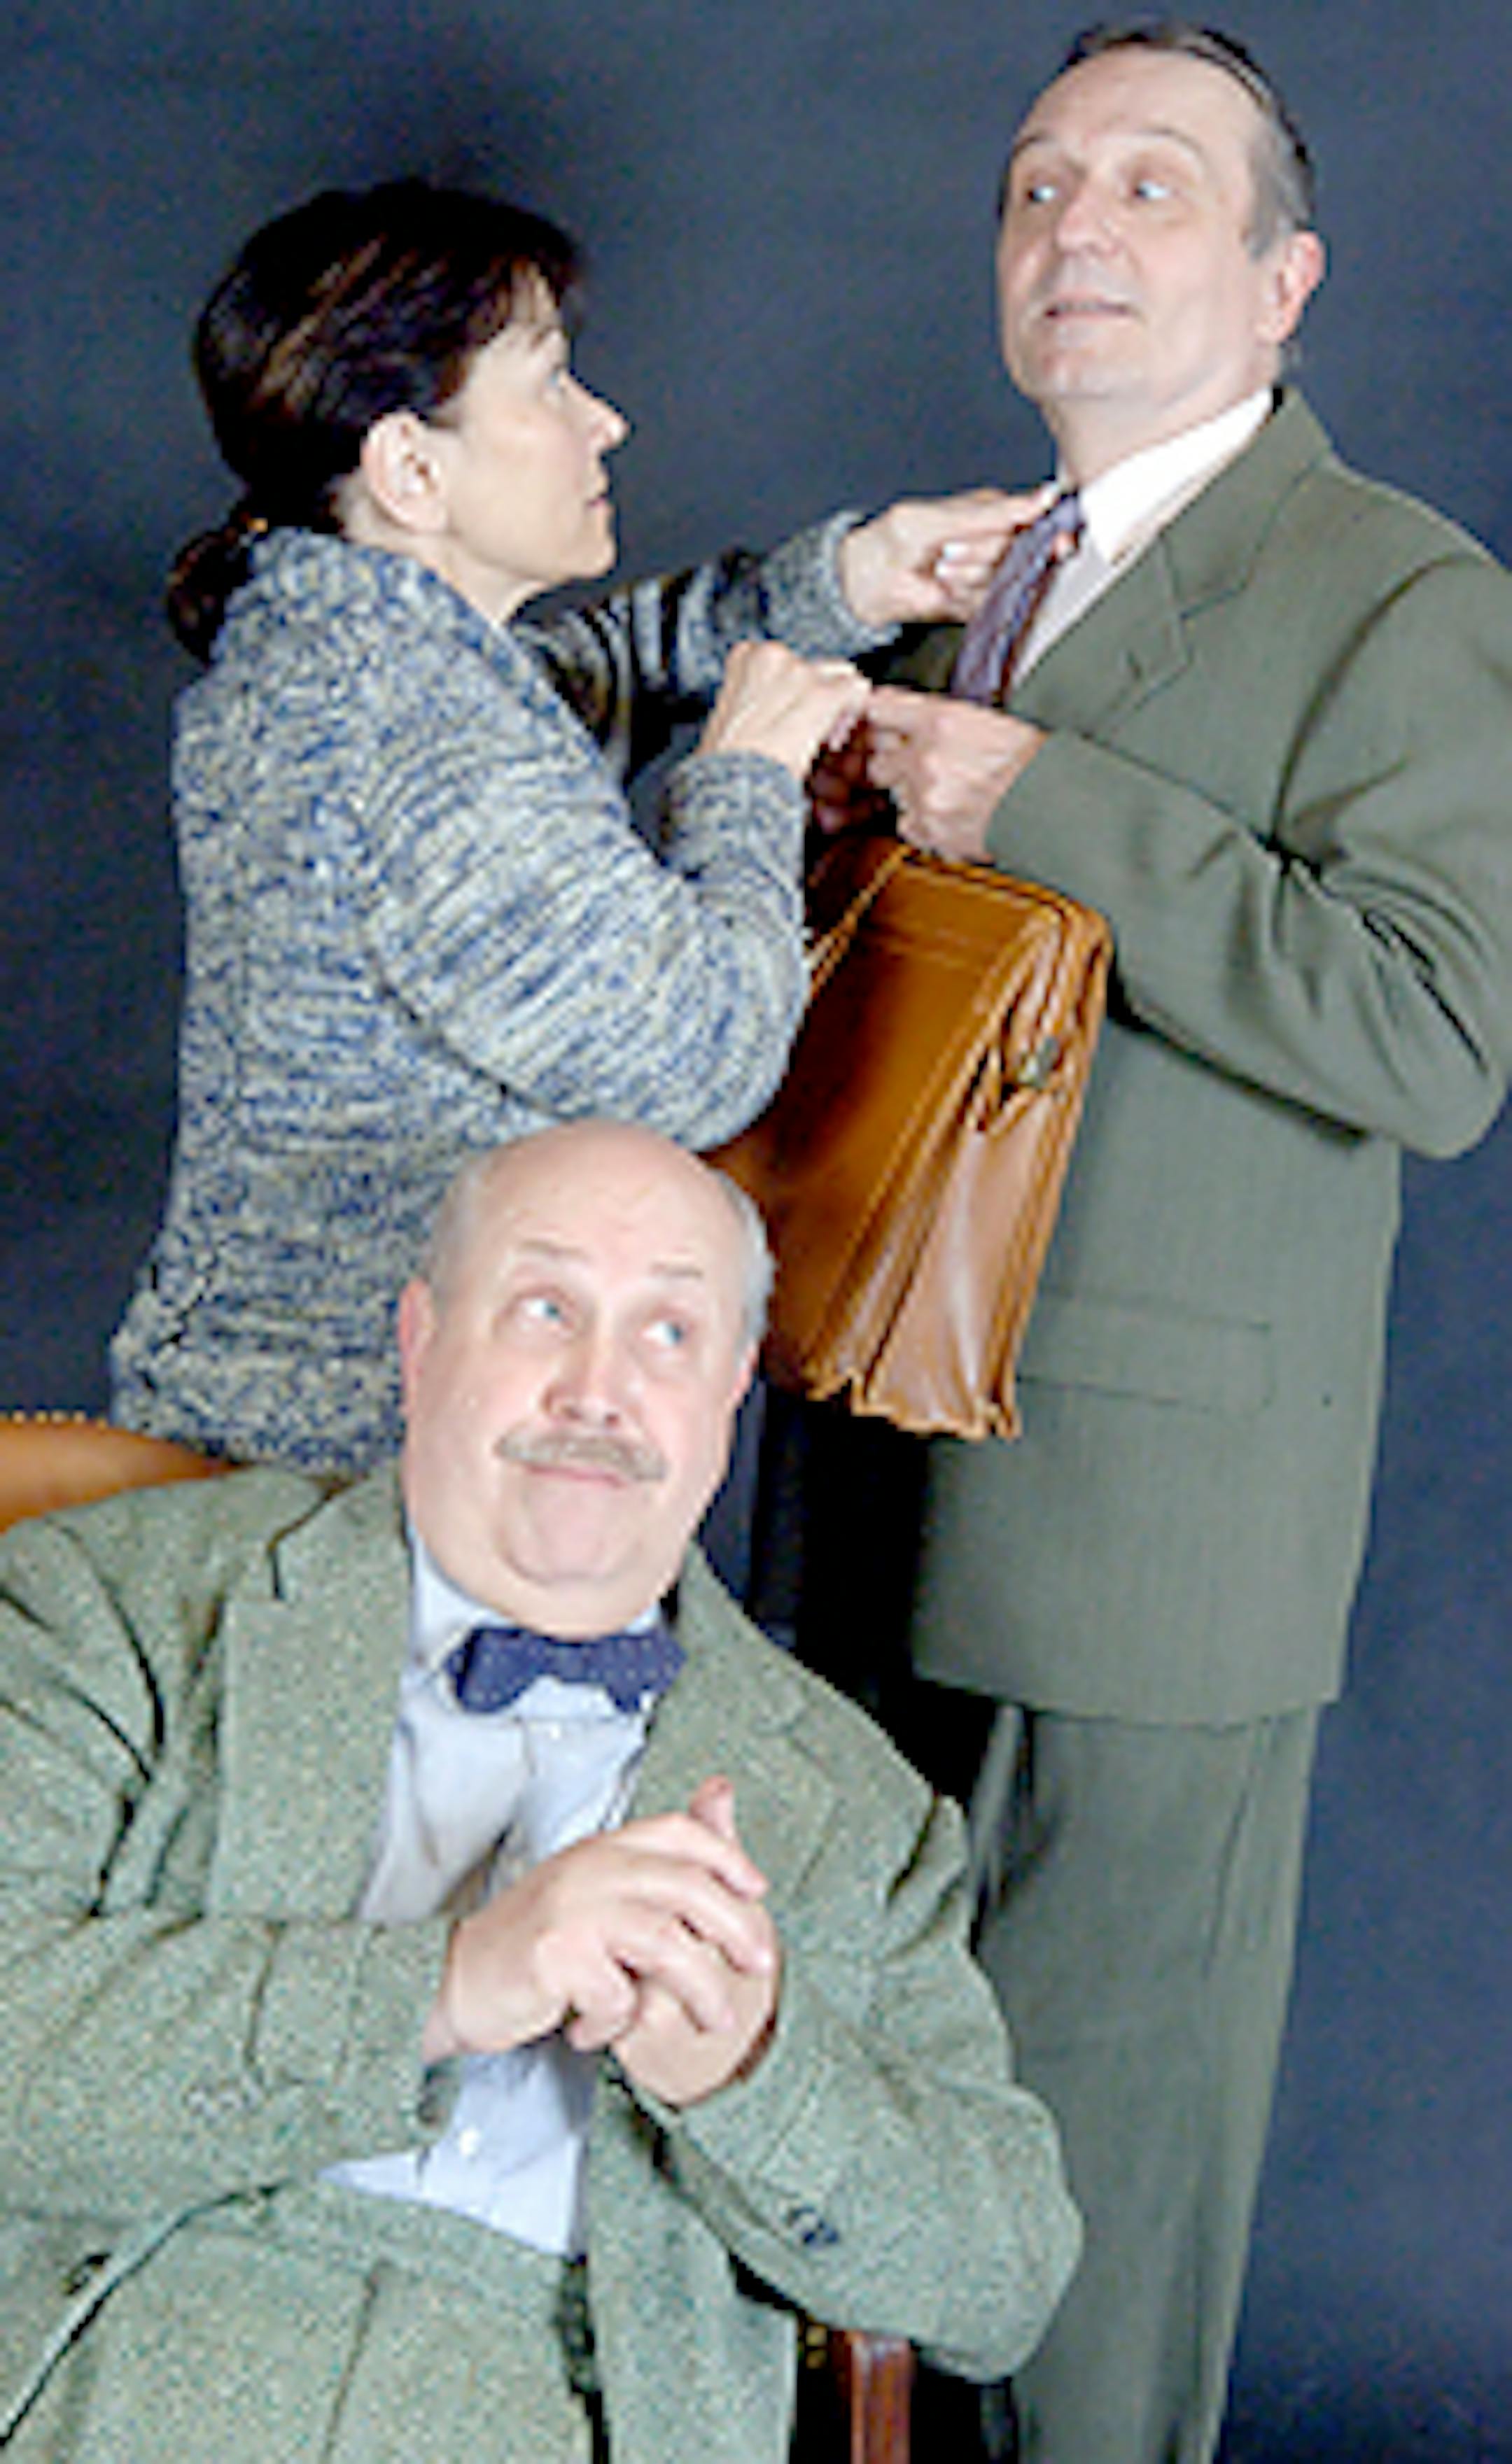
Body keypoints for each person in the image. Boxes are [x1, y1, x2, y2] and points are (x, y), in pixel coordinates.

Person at [808, 21, 1512, 2464]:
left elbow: (1433, 1034)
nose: (1073, 231)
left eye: (1147, 188)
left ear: (1284, 277)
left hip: (1157, 1548)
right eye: (1033, 188)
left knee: (1094, 2240)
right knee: (862, 2172)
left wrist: (1056, 808)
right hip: (872, 1480)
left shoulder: (1397, 589)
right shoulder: (969, 583)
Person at [0, 1120, 1082, 2464]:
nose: (599, 1389)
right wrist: (449, 1984)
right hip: (138, 2353)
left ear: (734, 1388)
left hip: (564, 2407)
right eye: (546, 1308)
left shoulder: (859, 1814)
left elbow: (1003, 2278)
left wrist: (750, 2070)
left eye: (669, 1335)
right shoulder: (120, 1603)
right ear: (421, 1339)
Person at [107, 176, 1028, 1477]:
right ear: (409, 468)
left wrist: (845, 582)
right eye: (548, 382)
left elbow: (571, 678)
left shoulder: (346, 651)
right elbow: (702, 1051)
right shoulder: (403, 733)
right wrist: (748, 777)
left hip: (318, 1430)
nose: (605, 419)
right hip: (357, 1483)